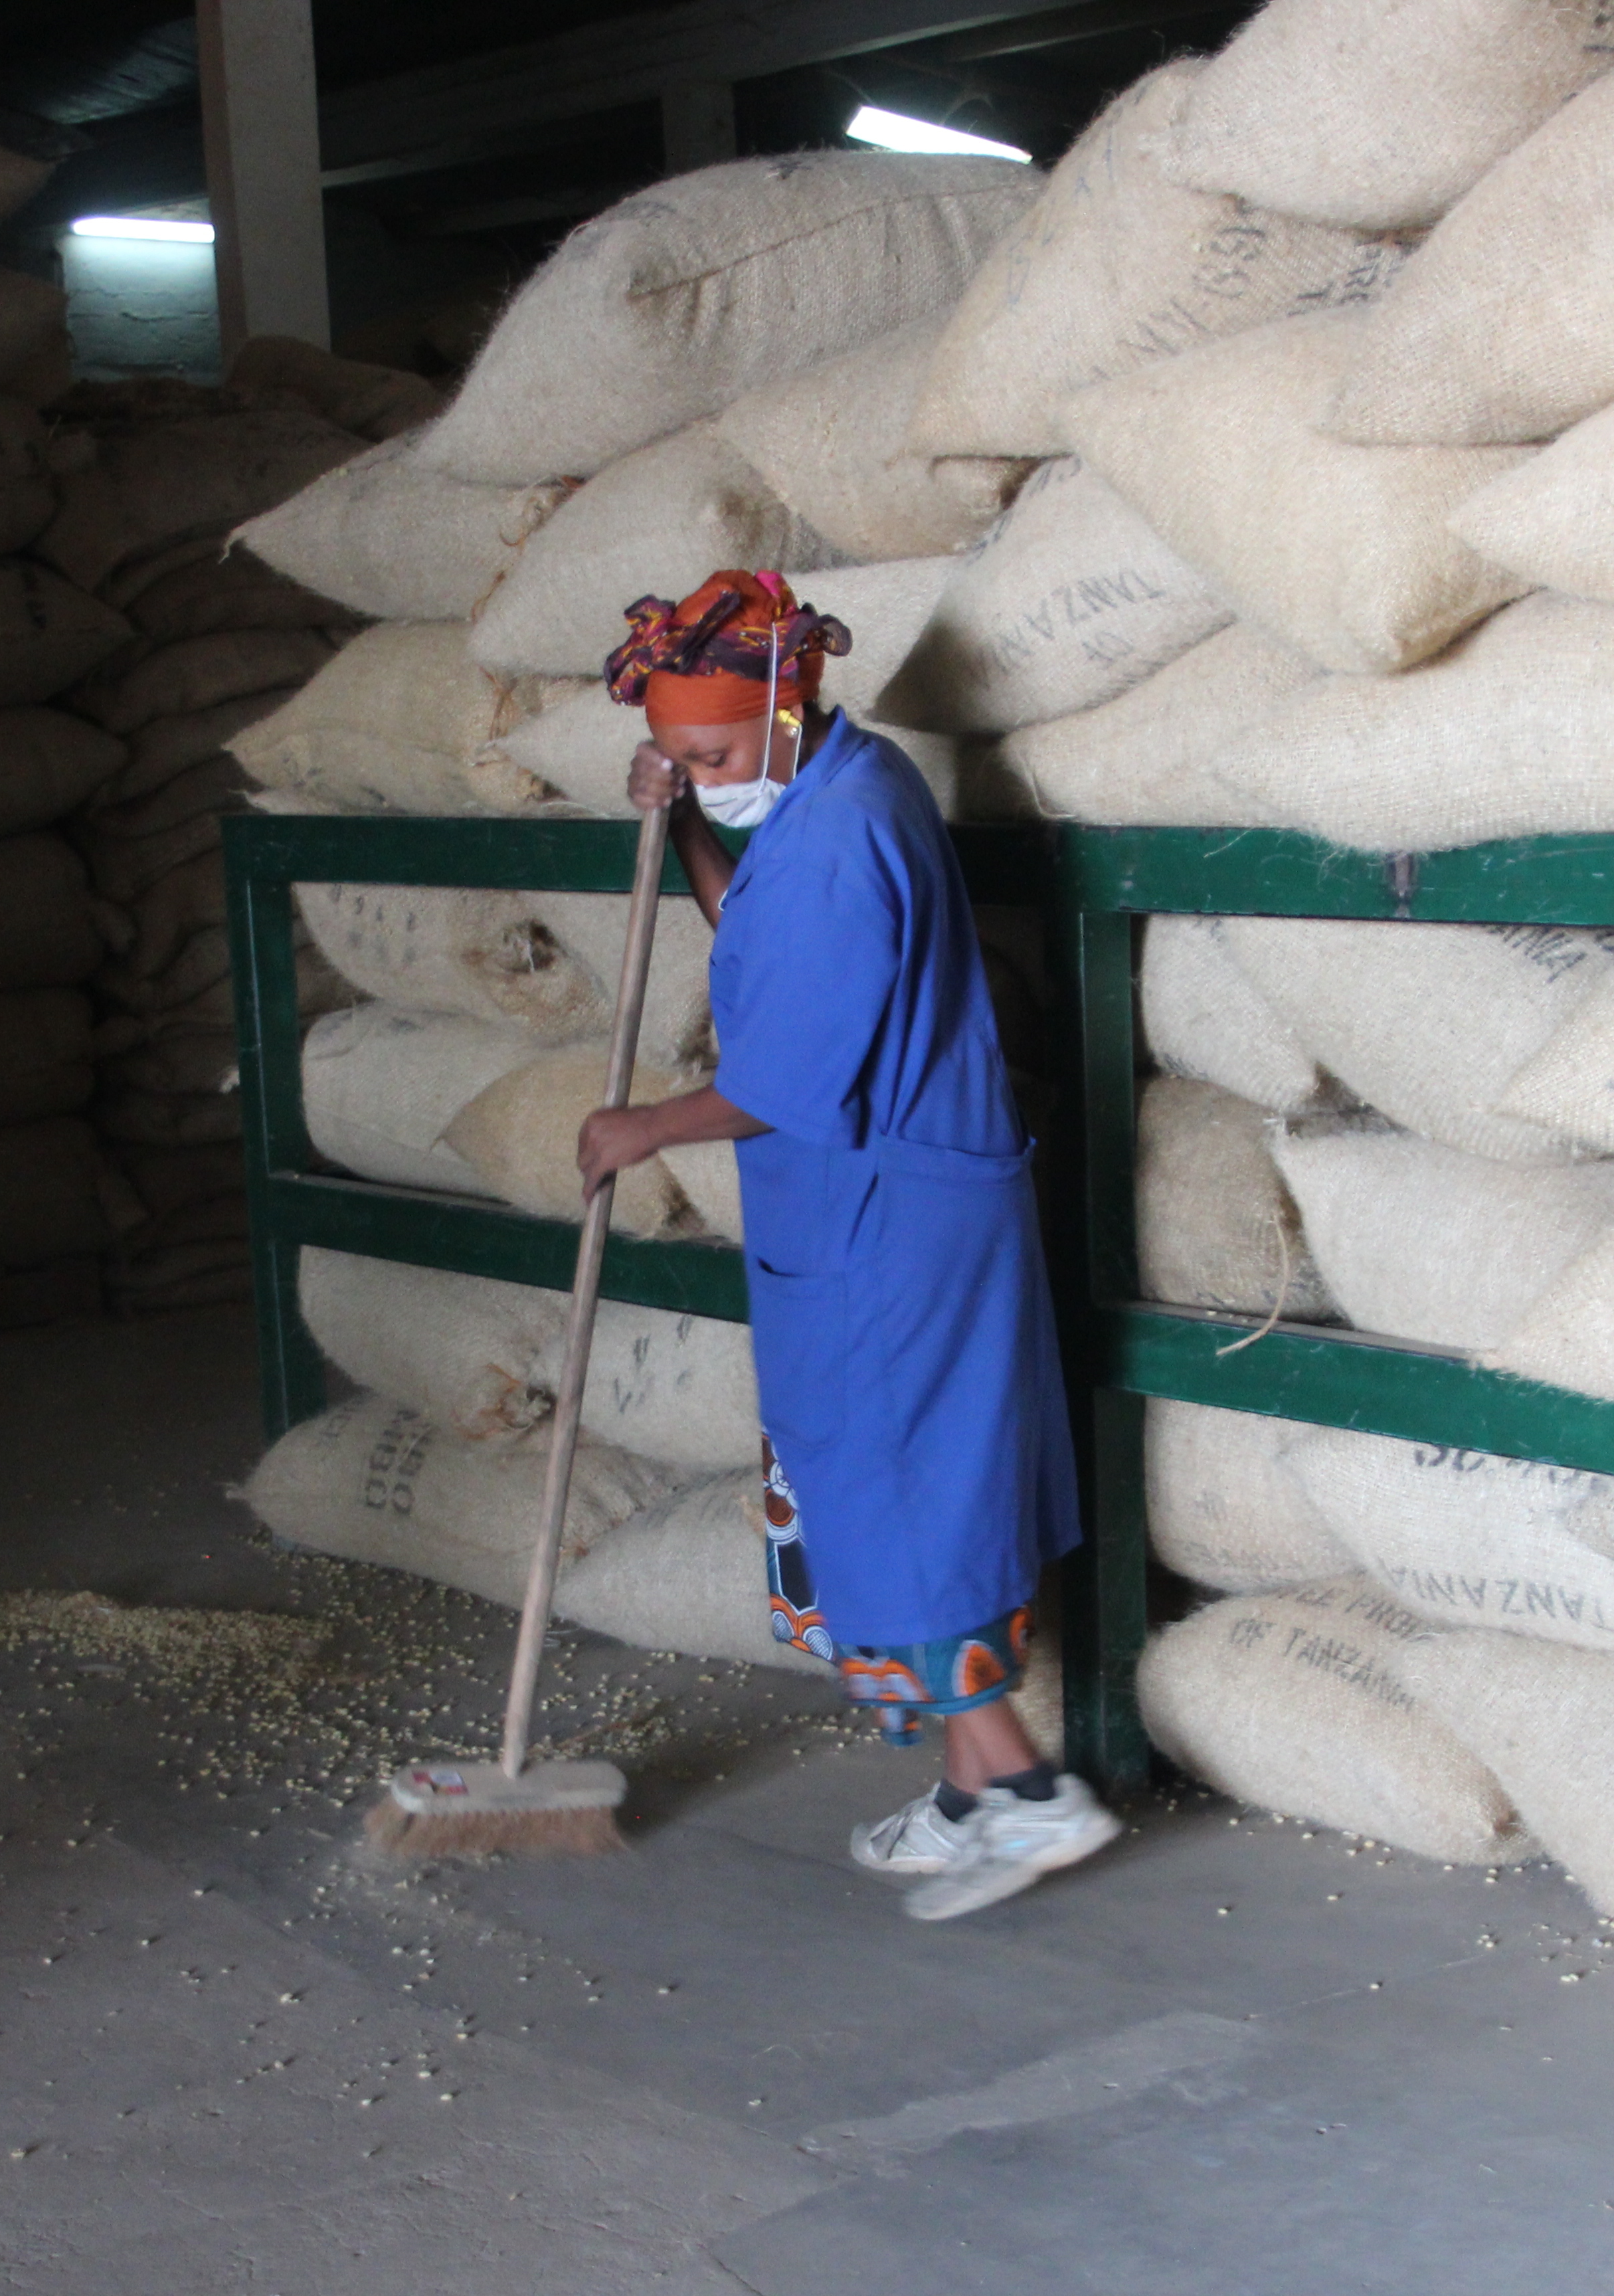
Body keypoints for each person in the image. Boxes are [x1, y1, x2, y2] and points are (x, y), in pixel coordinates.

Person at [573, 569, 1121, 1923]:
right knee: (881, 1495)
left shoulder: (839, 840)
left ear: (782, 704)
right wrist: (689, 815)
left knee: (904, 1510)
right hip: (863, 1216)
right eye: (681, 756)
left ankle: (1028, 1797)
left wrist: (639, 1130)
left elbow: (790, 1085)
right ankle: (968, 1791)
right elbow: (748, 922)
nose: (694, 769)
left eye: (708, 752)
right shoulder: (830, 791)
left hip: (892, 1226)